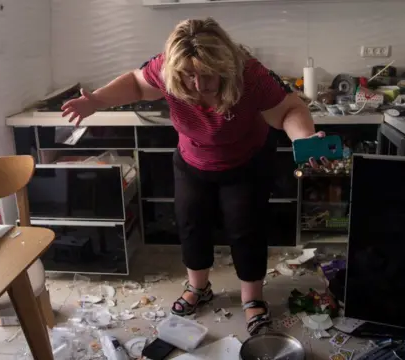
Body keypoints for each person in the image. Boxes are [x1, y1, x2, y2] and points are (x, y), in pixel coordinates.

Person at [61, 17, 324, 335]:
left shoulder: (250, 74)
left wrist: (304, 138)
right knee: (190, 222)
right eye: (188, 76)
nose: (198, 86)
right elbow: (135, 82)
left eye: (208, 75)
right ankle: (199, 288)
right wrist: (97, 100)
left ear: (225, 65)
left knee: (246, 228)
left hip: (246, 162)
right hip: (193, 159)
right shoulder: (165, 69)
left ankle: (252, 299)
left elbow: (287, 110)